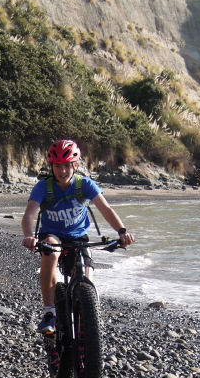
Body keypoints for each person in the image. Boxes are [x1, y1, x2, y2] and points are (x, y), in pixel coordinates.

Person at [20, 139, 135, 334]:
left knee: (84, 276)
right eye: (57, 166)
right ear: (52, 166)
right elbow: (29, 214)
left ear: (75, 165)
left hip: (78, 237)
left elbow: (105, 209)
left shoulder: (84, 185)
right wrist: (30, 236)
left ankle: (87, 317)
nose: (62, 171)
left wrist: (122, 231)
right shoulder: (43, 187)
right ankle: (49, 312)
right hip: (53, 235)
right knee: (50, 252)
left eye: (66, 165)